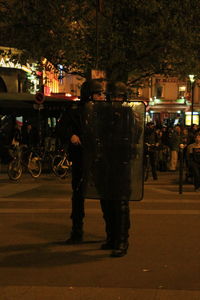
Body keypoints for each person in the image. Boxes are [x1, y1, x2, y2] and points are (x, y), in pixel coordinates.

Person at [58, 79, 105, 245]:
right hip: (81, 158)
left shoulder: (104, 111)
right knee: (78, 195)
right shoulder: (74, 109)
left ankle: (111, 232)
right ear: (89, 94)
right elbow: (61, 127)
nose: (101, 96)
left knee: (106, 195)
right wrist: (71, 135)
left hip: (100, 158)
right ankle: (77, 231)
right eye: (98, 93)